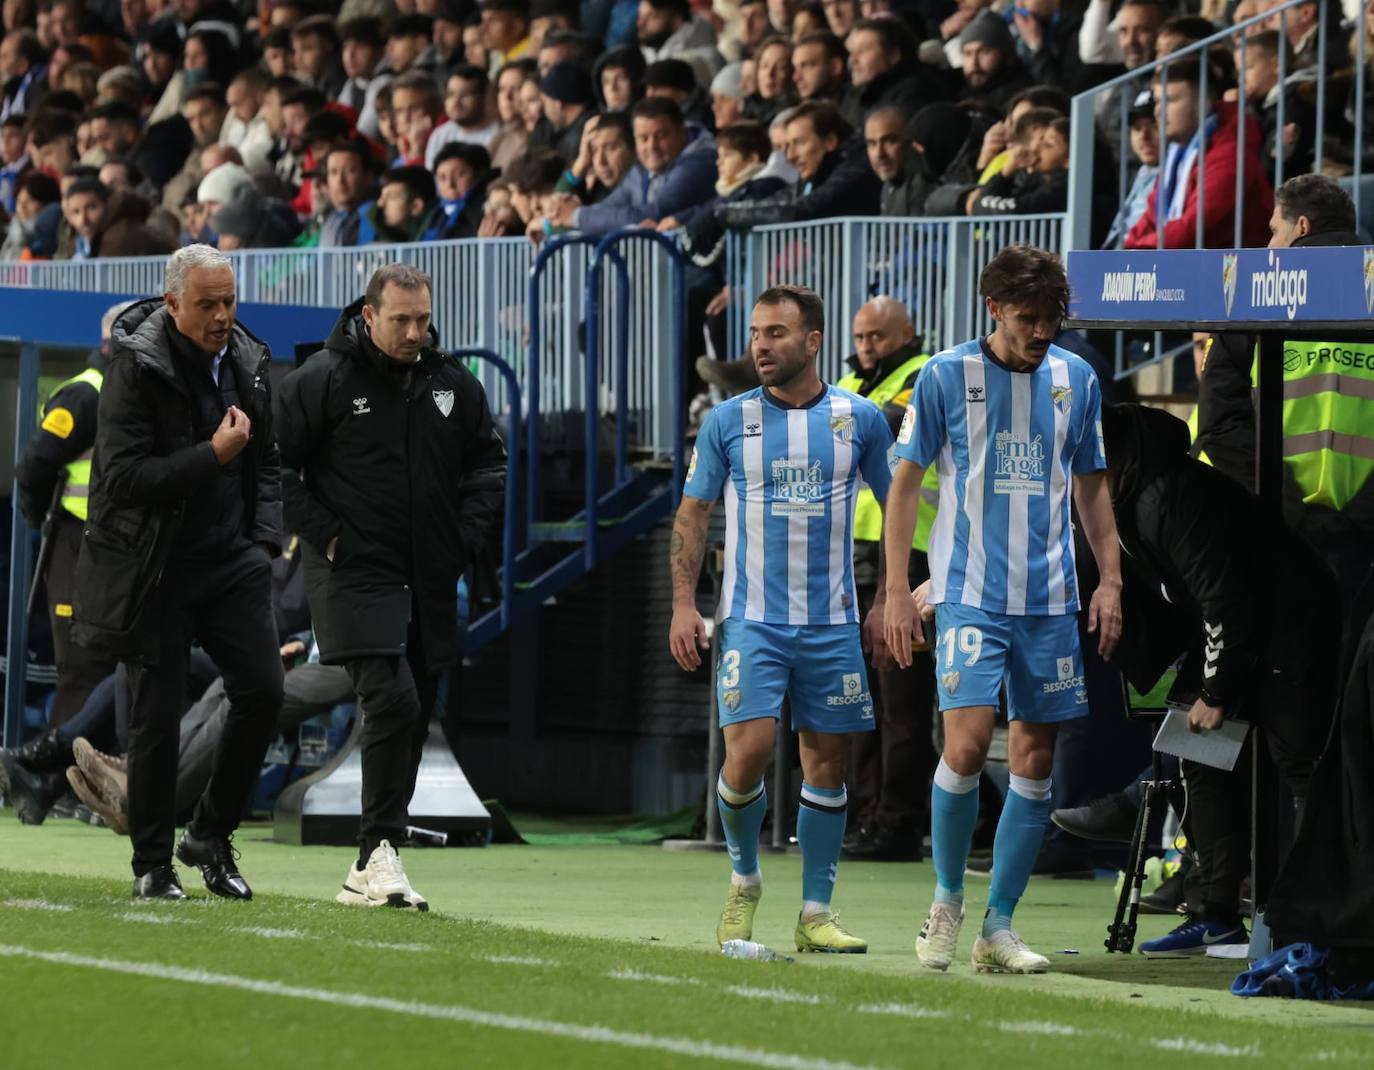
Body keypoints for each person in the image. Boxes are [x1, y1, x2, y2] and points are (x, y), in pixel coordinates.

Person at [883, 244, 1122, 974]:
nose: (1041, 330)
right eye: (1027, 318)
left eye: (1051, 318)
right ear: (994, 310)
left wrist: (1110, 578)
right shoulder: (946, 376)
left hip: (1049, 600)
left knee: (1034, 758)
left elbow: (1091, 486)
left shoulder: (1074, 378)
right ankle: (948, 900)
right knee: (964, 745)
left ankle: (1000, 925)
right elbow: (903, 485)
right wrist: (898, 588)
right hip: (968, 594)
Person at [275, 264, 506, 911]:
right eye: (400, 319)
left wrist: (462, 540)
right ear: (368, 315)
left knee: (412, 711)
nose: (413, 332)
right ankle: (380, 850)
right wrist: (326, 536)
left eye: (422, 320)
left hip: (428, 577)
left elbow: (489, 462)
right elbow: (274, 463)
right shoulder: (322, 378)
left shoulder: (452, 385)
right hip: (352, 572)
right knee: (395, 703)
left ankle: (369, 864)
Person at [670, 284, 894, 953]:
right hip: (751, 620)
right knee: (751, 752)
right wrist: (685, 606)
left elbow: (899, 503)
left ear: (813, 340)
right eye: (756, 334)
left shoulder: (860, 419)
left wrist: (893, 594)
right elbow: (692, 516)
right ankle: (744, 881)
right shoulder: (728, 421)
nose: (760, 347)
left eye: (776, 334)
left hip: (831, 622)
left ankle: (815, 914)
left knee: (827, 763)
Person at [72, 245, 285, 901]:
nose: (223, 316)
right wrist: (212, 455)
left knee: (263, 691)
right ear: (171, 303)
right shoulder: (133, 366)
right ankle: (153, 866)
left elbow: (268, 460)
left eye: (229, 302)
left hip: (231, 561)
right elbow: (124, 480)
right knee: (156, 717)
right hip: (154, 565)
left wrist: (265, 544)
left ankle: (210, 839)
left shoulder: (249, 357)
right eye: (207, 305)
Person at [1100, 403, 1340, 957]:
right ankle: (1217, 918)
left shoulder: (1166, 497)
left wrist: (1215, 692)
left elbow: (1223, 598)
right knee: (1196, 754)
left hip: (1290, 623)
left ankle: (1319, 918)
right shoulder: (1129, 495)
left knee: (1299, 764)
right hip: (1240, 627)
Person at [837, 298, 938, 862]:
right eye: (860, 336)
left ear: (907, 331)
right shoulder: (853, 380)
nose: (867, 345)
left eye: (877, 335)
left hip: (911, 557)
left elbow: (878, 426)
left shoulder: (922, 375)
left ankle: (897, 823)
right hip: (856, 555)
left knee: (901, 698)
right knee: (860, 698)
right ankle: (865, 817)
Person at [14, 299, 126, 731]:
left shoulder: (134, 394)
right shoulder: (86, 393)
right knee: (81, 669)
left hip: (115, 548)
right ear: (111, 341)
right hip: (76, 544)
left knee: (111, 669)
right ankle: (56, 784)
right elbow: (33, 467)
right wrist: (37, 518)